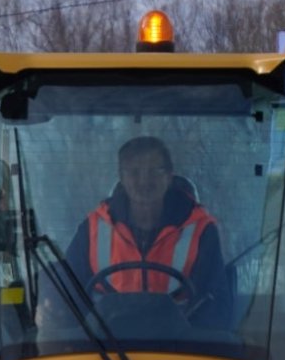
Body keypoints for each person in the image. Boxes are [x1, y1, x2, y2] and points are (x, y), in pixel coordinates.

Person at [65, 136, 232, 327]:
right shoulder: (93, 228)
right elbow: (66, 290)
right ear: (122, 178)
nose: (144, 181)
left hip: (178, 349)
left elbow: (216, 306)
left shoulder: (201, 231)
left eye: (154, 171)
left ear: (169, 176)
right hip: (105, 347)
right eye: (134, 172)